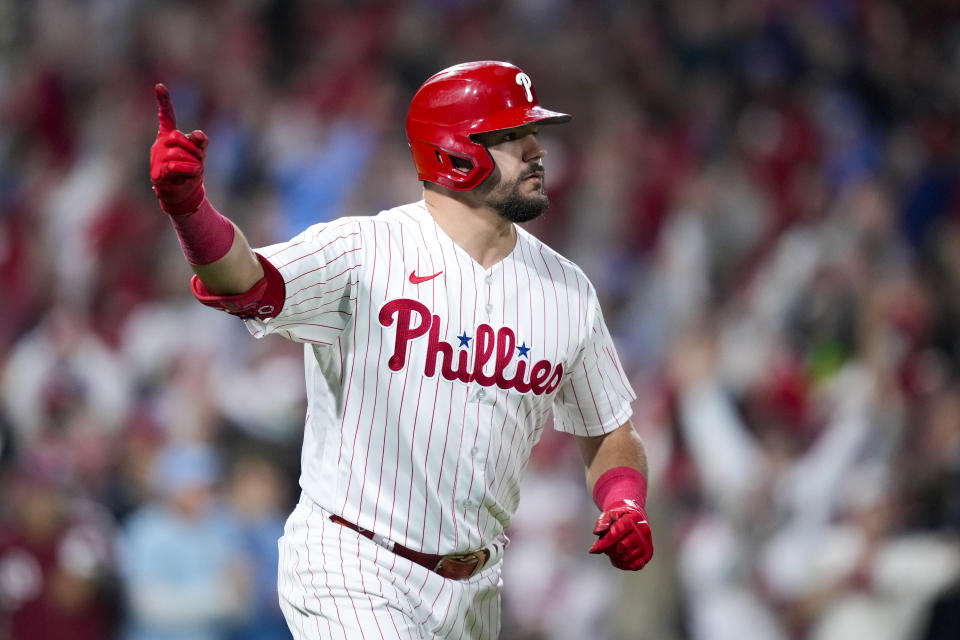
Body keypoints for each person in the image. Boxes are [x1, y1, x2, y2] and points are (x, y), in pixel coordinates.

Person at [148, 60, 653, 639]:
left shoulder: (566, 291)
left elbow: (609, 430)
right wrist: (191, 213)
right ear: (455, 153)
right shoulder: (364, 250)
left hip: (475, 590)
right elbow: (244, 281)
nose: (537, 149)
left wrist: (625, 500)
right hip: (354, 563)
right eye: (512, 136)